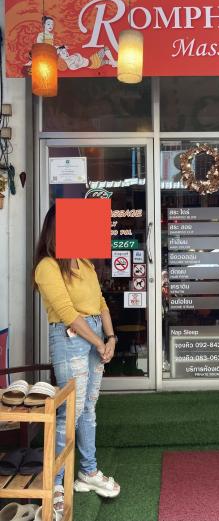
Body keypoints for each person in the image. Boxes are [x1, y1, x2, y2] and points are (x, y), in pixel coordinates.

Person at [33, 204, 120, 518]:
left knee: (88, 408)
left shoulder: (84, 262)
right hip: (70, 337)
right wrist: (98, 341)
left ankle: (88, 471)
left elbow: (100, 303)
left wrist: (111, 338)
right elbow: (68, 314)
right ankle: (55, 482)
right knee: (70, 410)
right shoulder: (47, 266)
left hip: (95, 334)